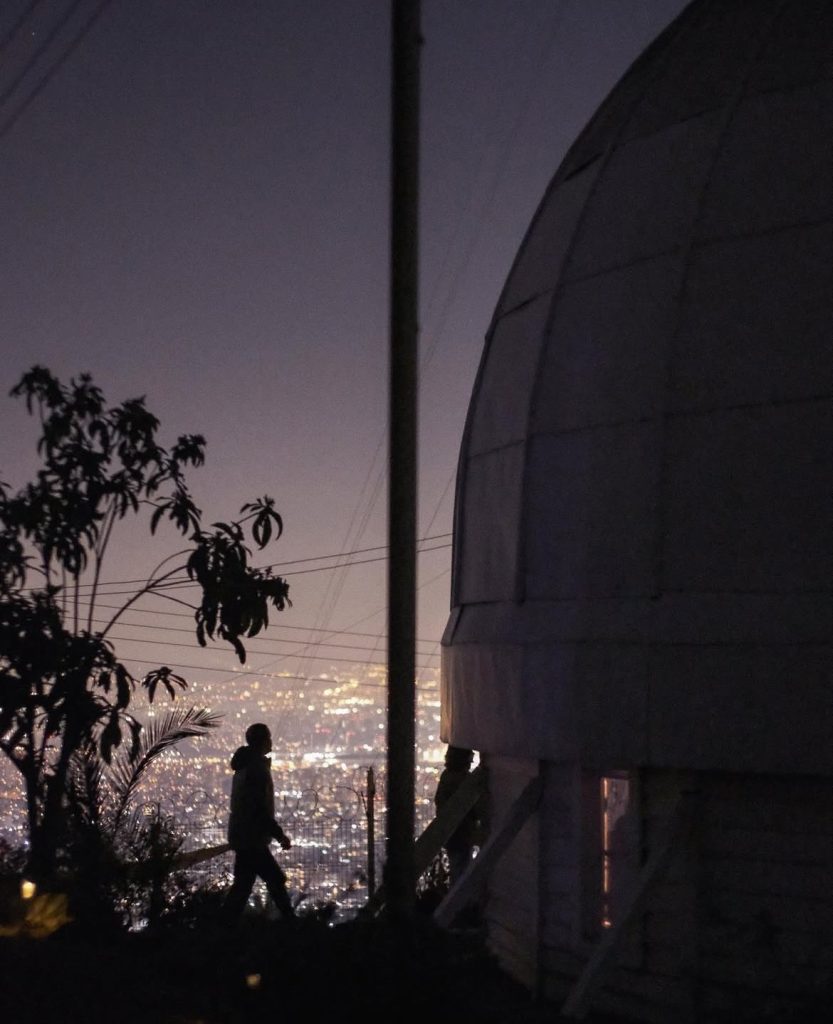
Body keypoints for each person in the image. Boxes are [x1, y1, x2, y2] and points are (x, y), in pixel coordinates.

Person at [223, 722, 295, 920]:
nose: (271, 741)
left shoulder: (244, 766)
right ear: (262, 742)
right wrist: (279, 835)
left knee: (244, 885)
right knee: (274, 880)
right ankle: (291, 922)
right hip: (252, 837)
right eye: (269, 738)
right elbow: (259, 809)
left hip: (244, 835)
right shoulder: (256, 770)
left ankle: (223, 926)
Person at [433, 744, 483, 887]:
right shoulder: (463, 779)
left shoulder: (447, 776)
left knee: (458, 868)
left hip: (451, 833)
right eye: (469, 760)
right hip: (462, 832)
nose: (470, 764)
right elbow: (473, 807)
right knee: (461, 869)